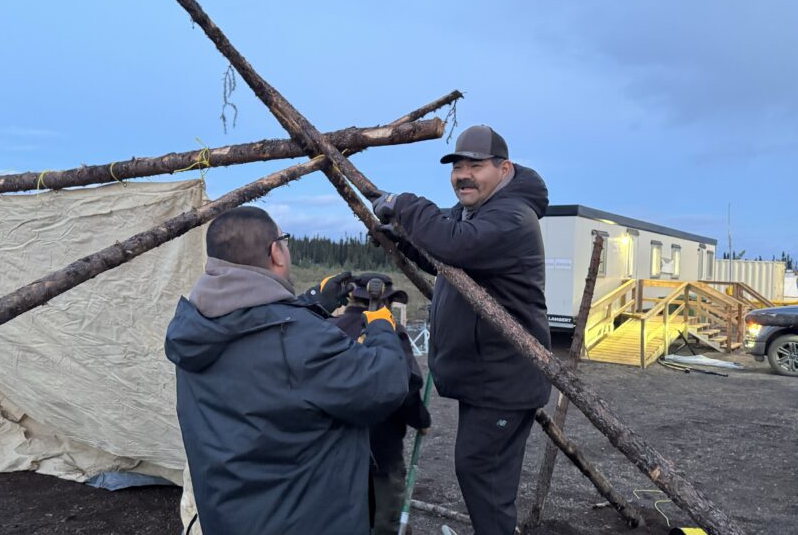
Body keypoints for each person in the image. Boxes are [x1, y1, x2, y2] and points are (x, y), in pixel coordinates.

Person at [164, 206, 409, 535]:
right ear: (276, 252)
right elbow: (384, 383)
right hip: (305, 520)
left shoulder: (195, 326)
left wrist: (312, 301)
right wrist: (380, 326)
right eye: (285, 241)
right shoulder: (302, 340)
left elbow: (263, 328)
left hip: (231, 517)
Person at [371, 125, 552, 535]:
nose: (462, 175)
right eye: (456, 166)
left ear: (504, 169)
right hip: (486, 375)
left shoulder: (512, 217)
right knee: (479, 473)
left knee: (482, 475)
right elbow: (446, 261)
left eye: (475, 165)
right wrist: (403, 241)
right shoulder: (477, 212)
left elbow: (454, 244)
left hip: (505, 377)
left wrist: (404, 205)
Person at [330, 273, 432, 535]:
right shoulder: (392, 332)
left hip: (339, 445)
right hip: (383, 444)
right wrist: (421, 419)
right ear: (384, 301)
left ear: (353, 297)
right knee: (386, 520)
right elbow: (406, 386)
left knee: (347, 514)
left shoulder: (331, 329)